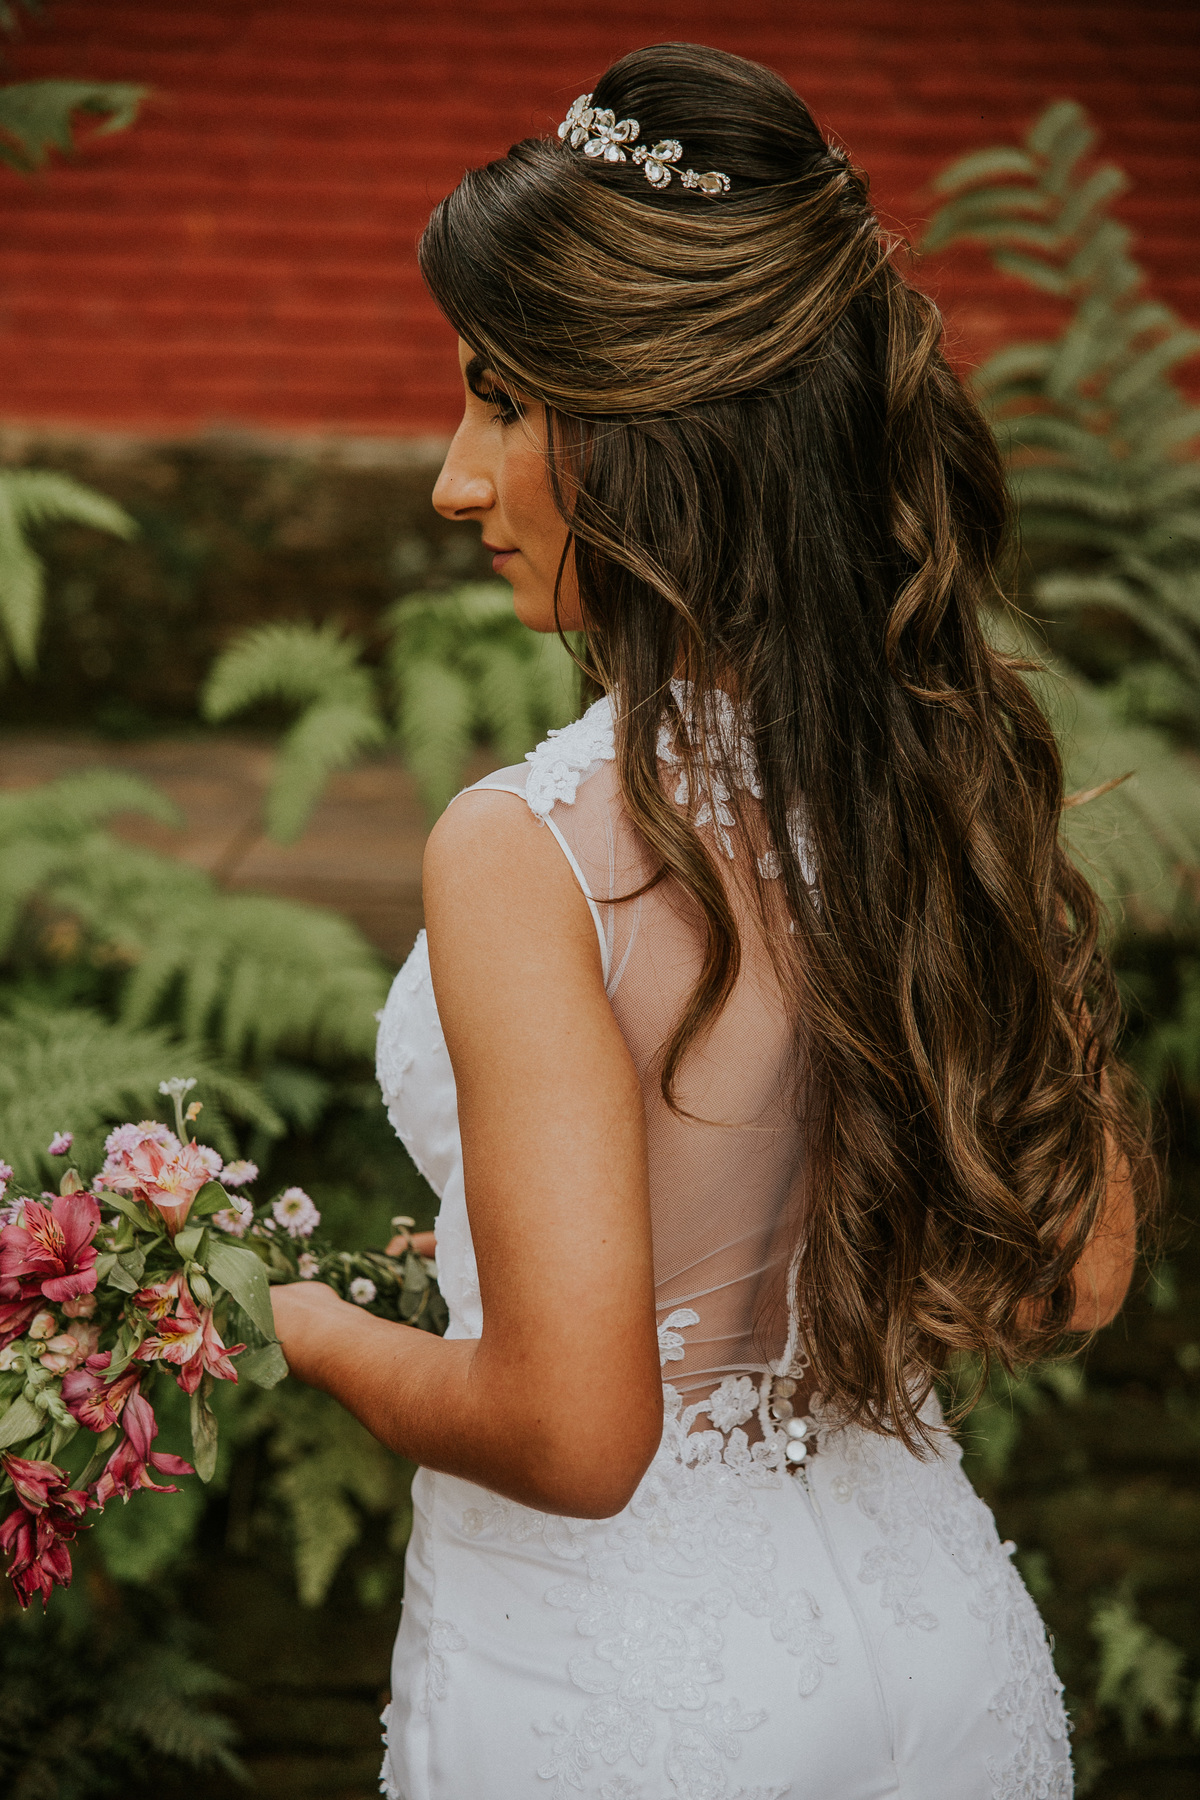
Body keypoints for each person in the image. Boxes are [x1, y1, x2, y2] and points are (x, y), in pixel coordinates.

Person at [270, 43, 1153, 1800]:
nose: (455, 480)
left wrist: (299, 1320)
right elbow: (1079, 1274)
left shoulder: (527, 848)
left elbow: (576, 1434)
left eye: (505, 407)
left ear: (661, 438)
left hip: (633, 1710)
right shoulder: (939, 775)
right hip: (947, 1664)